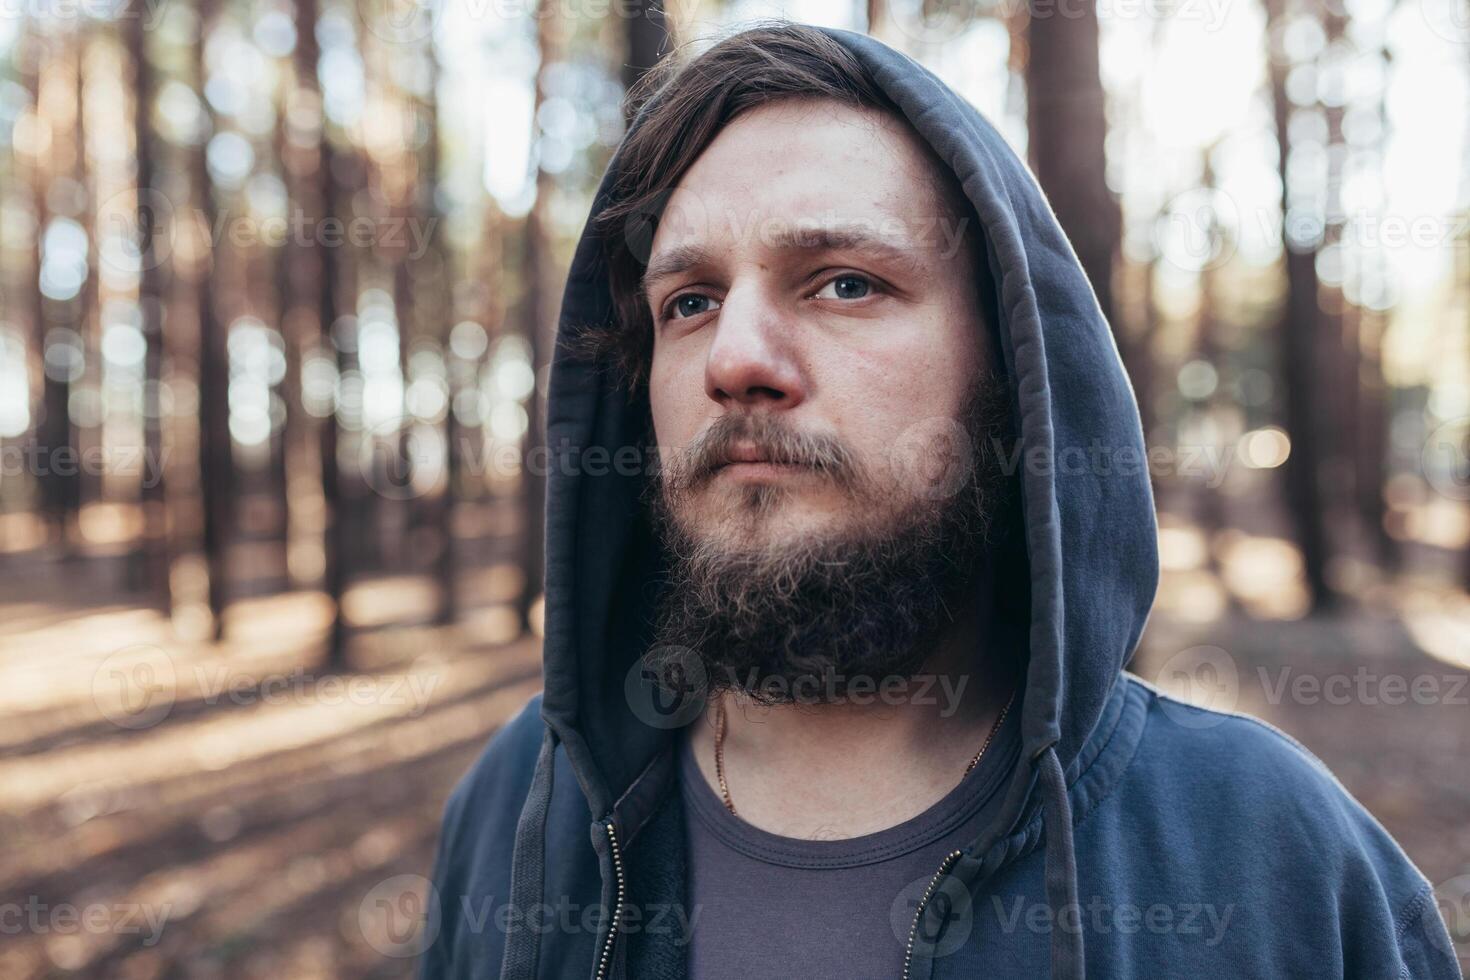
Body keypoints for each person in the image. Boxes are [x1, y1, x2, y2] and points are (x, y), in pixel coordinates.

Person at [419, 21, 1460, 979]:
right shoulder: (528, 805)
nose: (733, 357)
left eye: (843, 282)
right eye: (689, 302)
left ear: (1009, 371)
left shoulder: (1270, 856)